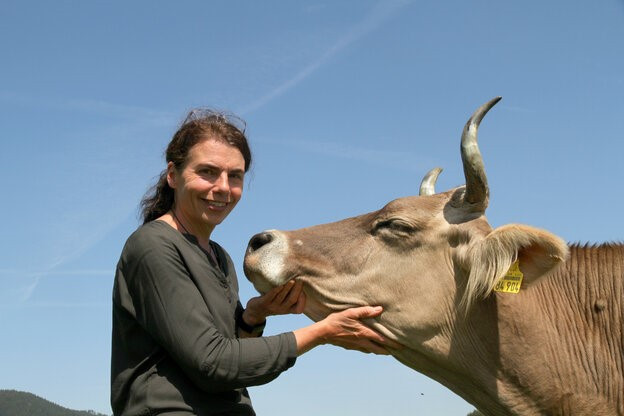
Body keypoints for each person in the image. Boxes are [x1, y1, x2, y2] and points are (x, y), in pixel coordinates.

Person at [110, 109, 398, 416]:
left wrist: (254, 316)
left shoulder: (219, 257)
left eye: (235, 176)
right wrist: (322, 333)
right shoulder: (153, 246)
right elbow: (213, 364)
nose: (223, 187)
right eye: (207, 171)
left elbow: (235, 355)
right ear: (172, 175)